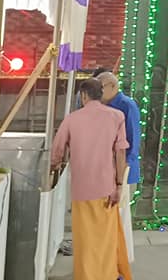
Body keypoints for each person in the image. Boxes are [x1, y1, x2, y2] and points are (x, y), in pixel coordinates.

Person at [50, 78, 132, 280]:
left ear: (83, 95)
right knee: (105, 236)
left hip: (81, 188)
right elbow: (120, 153)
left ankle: (87, 275)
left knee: (85, 238)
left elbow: (57, 150)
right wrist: (119, 185)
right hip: (106, 187)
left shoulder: (71, 119)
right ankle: (107, 274)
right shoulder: (116, 116)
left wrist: (55, 166)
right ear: (101, 94)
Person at [97, 71, 141, 264]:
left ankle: (119, 262)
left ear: (113, 87)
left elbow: (131, 142)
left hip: (123, 170)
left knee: (120, 220)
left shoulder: (127, 106)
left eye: (101, 89)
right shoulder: (101, 106)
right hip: (105, 170)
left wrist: (121, 172)